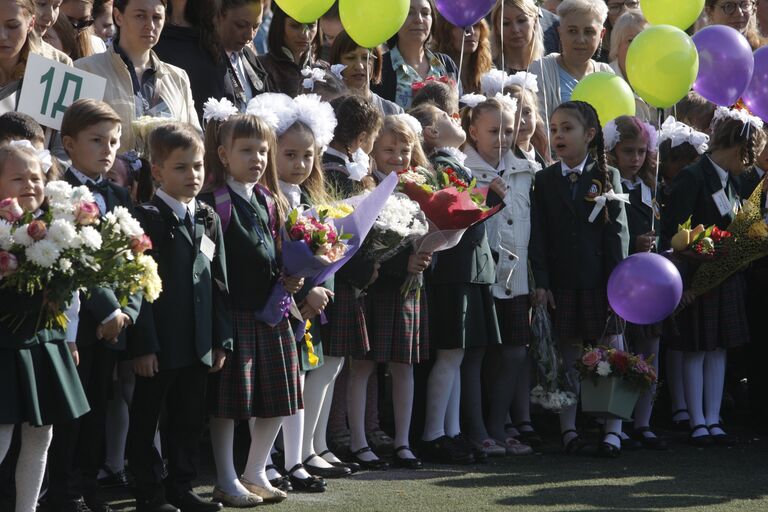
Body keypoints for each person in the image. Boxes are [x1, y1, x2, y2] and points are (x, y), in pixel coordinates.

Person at [201, 107, 303, 507]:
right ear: (224, 155)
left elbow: (280, 252)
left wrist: (293, 277)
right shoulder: (215, 203)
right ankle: (226, 477)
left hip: (272, 312)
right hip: (235, 314)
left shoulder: (269, 200)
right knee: (228, 405)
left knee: (281, 395)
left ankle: (255, 470)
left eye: (263, 151)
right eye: (246, 150)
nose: (257, 159)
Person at [128, 123, 231, 512]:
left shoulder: (207, 216)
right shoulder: (145, 217)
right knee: (147, 419)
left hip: (198, 341)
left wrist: (221, 338)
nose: (193, 176)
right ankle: (148, 493)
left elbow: (219, 282)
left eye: (198, 166)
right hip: (159, 343)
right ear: (157, 172)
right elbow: (137, 287)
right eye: (181, 168)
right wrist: (144, 346)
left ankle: (181, 487)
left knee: (189, 417)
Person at [45, 99, 140, 512]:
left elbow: (136, 259)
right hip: (76, 324)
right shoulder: (59, 192)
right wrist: (107, 311)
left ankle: (88, 483)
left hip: (112, 325)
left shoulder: (118, 193)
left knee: (100, 406)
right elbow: (77, 261)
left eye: (114, 142)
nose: (108, 150)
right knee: (71, 411)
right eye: (97, 140)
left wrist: (127, 312)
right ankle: (63, 490)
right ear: (69, 143)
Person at [660, 106, 766, 447]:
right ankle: (696, 419)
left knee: (718, 348)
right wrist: (687, 279)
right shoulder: (693, 177)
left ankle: (713, 418)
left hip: (727, 276)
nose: (752, 163)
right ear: (739, 147)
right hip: (695, 280)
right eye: (751, 155)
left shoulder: (738, 179)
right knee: (695, 349)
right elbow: (673, 234)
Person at [529, 100, 629, 457]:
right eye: (554, 129)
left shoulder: (608, 176)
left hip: (602, 281)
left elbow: (617, 235)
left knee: (609, 352)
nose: (558, 136)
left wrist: (618, 285)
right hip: (562, 282)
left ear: (589, 135)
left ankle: (612, 430)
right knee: (567, 355)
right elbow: (537, 235)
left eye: (567, 129)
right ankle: (568, 428)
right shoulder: (543, 180)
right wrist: (541, 281)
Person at [248, 92, 337, 493]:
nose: (299, 164)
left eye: (307, 156)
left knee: (297, 379)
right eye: (289, 154)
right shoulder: (266, 199)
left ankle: (296, 457)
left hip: (304, 306)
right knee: (273, 385)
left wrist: (318, 291)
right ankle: (263, 462)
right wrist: (298, 294)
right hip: (277, 302)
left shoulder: (311, 200)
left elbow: (326, 250)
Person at [0, 143, 89, 512]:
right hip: (5, 345)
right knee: (1, 433)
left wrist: (69, 339)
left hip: (46, 343)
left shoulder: (57, 226)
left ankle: (28, 508)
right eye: (17, 178)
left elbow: (72, 296)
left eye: (35, 177)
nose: (29, 184)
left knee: (41, 435)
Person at [446, 94, 534, 457]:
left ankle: (499, 425)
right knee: (475, 354)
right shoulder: (459, 168)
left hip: (517, 276)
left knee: (514, 352)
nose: (502, 138)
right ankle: (477, 429)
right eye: (494, 130)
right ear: (472, 131)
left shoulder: (526, 168)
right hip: (479, 275)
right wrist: (484, 194)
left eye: (508, 130)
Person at [604, 115, 667, 450]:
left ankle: (644, 421)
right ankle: (618, 420)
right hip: (620, 282)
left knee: (649, 352)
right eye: (628, 151)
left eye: (642, 151)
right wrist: (633, 246)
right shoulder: (608, 186)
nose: (636, 158)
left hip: (650, 284)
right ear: (613, 151)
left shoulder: (650, 187)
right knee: (620, 352)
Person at [74, 0, 201, 153]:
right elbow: (70, 142)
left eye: (157, 17)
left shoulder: (178, 78)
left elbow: (195, 143)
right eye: (140, 16)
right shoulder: (86, 70)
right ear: (118, 16)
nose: (150, 25)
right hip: (109, 175)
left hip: (167, 176)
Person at [528, 0, 614, 128]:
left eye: (589, 31)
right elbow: (539, 131)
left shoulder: (607, 74)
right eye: (572, 31)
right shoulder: (540, 70)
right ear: (560, 32)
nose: (580, 39)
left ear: (601, 34)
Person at [371, 0, 461, 109]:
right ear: (395, 19)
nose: (419, 19)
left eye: (425, 13)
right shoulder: (379, 66)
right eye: (409, 13)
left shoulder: (446, 64)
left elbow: (460, 110)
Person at [328, 31, 403, 115]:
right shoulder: (325, 111)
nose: (359, 66)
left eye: (366, 58)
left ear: (376, 63)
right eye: (351, 58)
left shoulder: (393, 112)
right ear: (336, 62)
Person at [257, 3, 320, 97]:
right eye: (295, 26)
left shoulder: (321, 71)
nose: (305, 35)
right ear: (280, 25)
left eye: (311, 26)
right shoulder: (260, 66)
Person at [607, 10, 652, 123]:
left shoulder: (660, 77)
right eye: (630, 40)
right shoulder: (605, 77)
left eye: (643, 39)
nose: (637, 46)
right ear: (617, 45)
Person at [431, 15, 493, 94]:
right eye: (462, 26)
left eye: (475, 25)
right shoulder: (434, 71)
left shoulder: (488, 75)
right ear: (446, 31)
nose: (471, 31)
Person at [490, 0, 545, 74]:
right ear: (497, 28)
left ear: (535, 21)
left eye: (521, 21)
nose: (515, 30)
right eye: (506, 23)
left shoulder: (548, 68)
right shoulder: (488, 71)